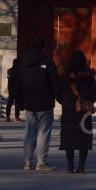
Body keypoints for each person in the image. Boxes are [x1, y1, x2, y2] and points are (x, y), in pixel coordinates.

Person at [15, 37, 59, 172]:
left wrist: (19, 102)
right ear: (43, 47)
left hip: (29, 102)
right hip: (45, 102)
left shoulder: (23, 62)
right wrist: (61, 98)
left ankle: (27, 162)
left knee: (29, 132)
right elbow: (54, 82)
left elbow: (17, 83)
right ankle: (41, 162)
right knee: (43, 133)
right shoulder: (47, 62)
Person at [57, 51, 96, 174]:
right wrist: (88, 101)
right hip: (84, 111)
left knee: (69, 139)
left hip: (68, 112)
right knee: (83, 139)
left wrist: (65, 102)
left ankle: (70, 167)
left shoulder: (65, 76)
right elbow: (95, 92)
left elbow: (58, 92)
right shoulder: (88, 76)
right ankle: (81, 167)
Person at [5, 58, 22, 122]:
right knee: (17, 104)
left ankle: (7, 117)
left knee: (9, 103)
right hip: (17, 89)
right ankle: (16, 117)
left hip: (11, 90)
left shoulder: (9, 70)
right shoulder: (19, 71)